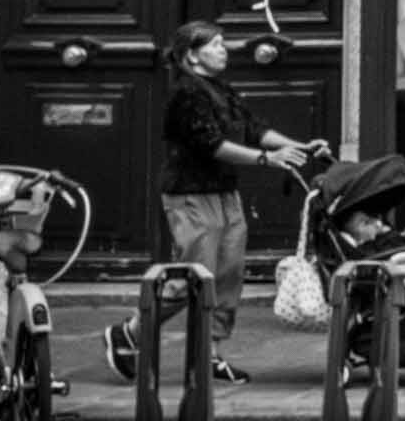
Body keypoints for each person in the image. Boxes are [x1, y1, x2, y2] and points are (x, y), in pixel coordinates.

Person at [103, 21, 328, 385]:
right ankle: (130, 331)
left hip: (223, 191)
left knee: (228, 275)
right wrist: (265, 160)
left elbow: (253, 128)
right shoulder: (185, 93)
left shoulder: (220, 89)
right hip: (190, 193)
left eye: (224, 43)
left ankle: (211, 353)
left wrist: (298, 147)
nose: (225, 49)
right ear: (192, 55)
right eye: (216, 44)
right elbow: (210, 144)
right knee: (194, 276)